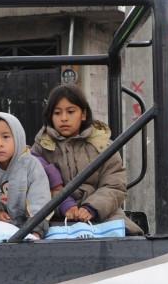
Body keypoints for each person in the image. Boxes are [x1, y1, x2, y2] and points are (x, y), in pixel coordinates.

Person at [32, 85, 142, 234]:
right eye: (57, 113)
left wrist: (92, 208)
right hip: (55, 217)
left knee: (127, 235)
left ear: (83, 114)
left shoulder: (103, 145)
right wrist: (63, 206)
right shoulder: (41, 149)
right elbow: (36, 188)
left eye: (70, 112)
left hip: (103, 215)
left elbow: (115, 186)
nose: (64, 118)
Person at [0, 113, 52, 238]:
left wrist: (35, 232)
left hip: (29, 226)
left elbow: (40, 199)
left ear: (18, 137)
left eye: (6, 137)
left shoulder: (31, 165)